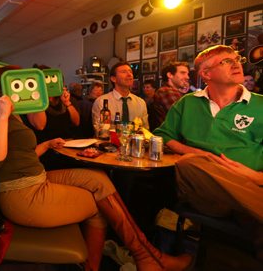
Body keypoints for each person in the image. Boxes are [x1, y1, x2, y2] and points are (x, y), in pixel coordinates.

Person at [0, 66, 192, 271]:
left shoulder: (13, 112)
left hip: (35, 178)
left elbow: (18, 155)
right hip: (22, 194)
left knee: (99, 178)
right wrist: (1, 115)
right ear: (7, 85)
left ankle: (147, 255)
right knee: (99, 205)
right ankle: (140, 258)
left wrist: (46, 144)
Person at [154, 45, 262, 241]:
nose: (236, 63)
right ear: (206, 73)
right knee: (187, 162)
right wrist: (198, 153)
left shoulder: (260, 105)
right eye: (226, 61)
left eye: (237, 59)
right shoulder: (188, 103)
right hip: (205, 194)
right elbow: (163, 135)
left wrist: (256, 177)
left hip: (252, 184)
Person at [92, 62, 149, 135]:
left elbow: (145, 130)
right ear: (113, 79)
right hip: (109, 144)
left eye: (130, 72)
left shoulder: (141, 103)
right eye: (124, 72)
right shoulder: (101, 101)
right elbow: (99, 131)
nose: (129, 75)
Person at [149, 62, 190, 130]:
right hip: (172, 138)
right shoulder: (166, 91)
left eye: (187, 74)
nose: (187, 77)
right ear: (170, 75)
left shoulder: (172, 91)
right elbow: (186, 117)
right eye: (183, 73)